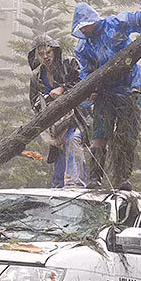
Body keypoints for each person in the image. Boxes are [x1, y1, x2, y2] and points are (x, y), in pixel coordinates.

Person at [71, 2, 141, 190]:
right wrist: (89, 89)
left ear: (93, 20)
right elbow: (86, 72)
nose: (85, 29)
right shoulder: (83, 47)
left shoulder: (114, 24)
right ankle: (94, 178)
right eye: (81, 27)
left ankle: (122, 178)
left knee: (126, 136)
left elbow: (137, 17)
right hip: (105, 92)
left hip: (130, 89)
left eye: (86, 25)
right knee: (99, 134)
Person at [28, 34, 88, 188]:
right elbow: (33, 101)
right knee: (58, 151)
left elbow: (83, 85)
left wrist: (63, 89)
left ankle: (76, 185)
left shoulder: (69, 64)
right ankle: (58, 186)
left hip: (75, 118)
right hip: (54, 124)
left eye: (48, 52)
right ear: (36, 56)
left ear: (55, 51)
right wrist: (45, 101)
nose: (46, 56)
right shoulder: (36, 77)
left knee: (72, 140)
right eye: (41, 54)